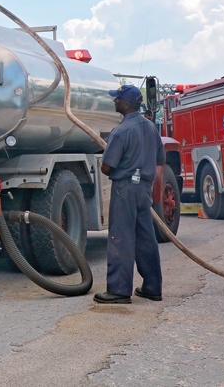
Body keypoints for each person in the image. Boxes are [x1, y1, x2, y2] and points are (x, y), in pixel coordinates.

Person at [93, 84, 164, 304]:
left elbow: (106, 167)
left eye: (117, 99)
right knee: (145, 237)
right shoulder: (151, 128)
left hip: (125, 188)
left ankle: (119, 291)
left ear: (127, 103)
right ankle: (152, 287)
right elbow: (160, 159)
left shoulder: (121, 131)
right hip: (144, 188)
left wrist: (108, 159)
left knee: (120, 237)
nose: (114, 101)